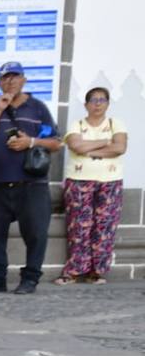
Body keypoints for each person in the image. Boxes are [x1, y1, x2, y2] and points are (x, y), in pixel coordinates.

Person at [0, 61, 62, 295]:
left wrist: (30, 142)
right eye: (5, 78)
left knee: (35, 233)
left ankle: (30, 278)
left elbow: (55, 143)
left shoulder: (38, 108)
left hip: (31, 183)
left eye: (15, 77)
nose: (10, 81)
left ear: (24, 80)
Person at [58, 86, 127, 284]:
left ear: (108, 103)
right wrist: (106, 142)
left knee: (105, 226)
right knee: (79, 225)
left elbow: (120, 147)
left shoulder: (116, 123)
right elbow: (76, 145)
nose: (98, 104)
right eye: (94, 100)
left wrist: (90, 151)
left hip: (110, 182)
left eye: (102, 100)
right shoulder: (77, 124)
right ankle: (74, 270)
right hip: (79, 181)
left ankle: (96, 271)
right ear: (86, 104)